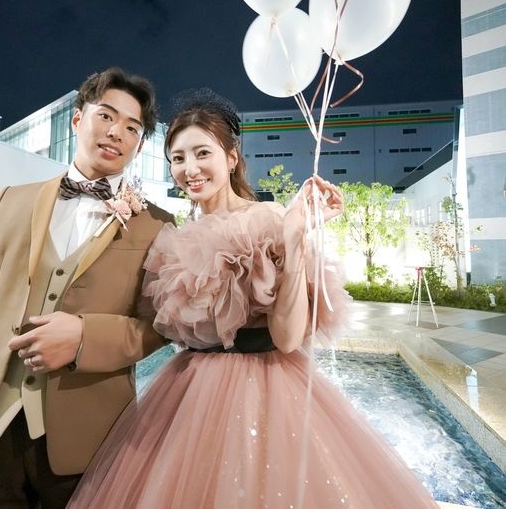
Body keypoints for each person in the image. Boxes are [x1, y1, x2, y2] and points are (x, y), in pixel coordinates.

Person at [68, 88, 438, 508]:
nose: (190, 169)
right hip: (188, 394)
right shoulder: (175, 236)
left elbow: (288, 338)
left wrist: (293, 243)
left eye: (202, 153)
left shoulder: (268, 218)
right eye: (178, 158)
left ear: (231, 158)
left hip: (267, 389)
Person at [0, 67, 173, 508]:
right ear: (78, 120)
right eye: (106, 116)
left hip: (89, 441)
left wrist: (84, 336)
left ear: (139, 143)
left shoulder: (157, 225)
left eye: (132, 128)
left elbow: (158, 326)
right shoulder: (8, 201)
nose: (116, 132)